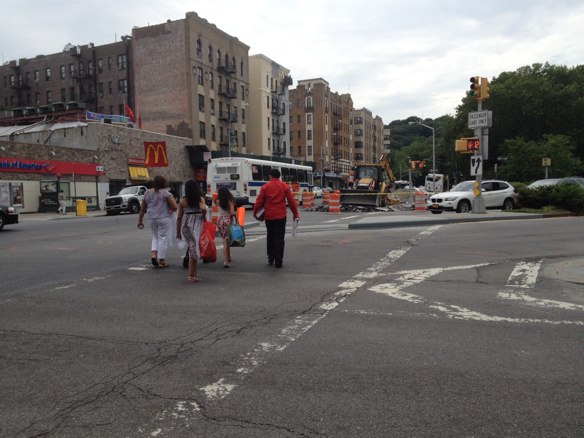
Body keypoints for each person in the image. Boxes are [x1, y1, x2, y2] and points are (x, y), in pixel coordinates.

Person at [253, 168, 300, 268]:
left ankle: (270, 258)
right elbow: (291, 202)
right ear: (279, 176)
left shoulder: (265, 187)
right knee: (279, 238)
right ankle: (279, 261)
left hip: (269, 216)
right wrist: (295, 214)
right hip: (281, 216)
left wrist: (255, 212)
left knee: (270, 236)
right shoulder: (284, 186)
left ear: (270, 176)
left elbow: (259, 201)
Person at [137, 175, 178, 268]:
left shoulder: (147, 193)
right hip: (163, 218)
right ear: (163, 183)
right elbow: (175, 206)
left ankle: (153, 255)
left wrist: (140, 221)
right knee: (163, 238)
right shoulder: (165, 193)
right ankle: (162, 260)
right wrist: (170, 209)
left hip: (151, 218)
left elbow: (142, 209)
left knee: (155, 237)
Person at [176, 179, 207, 283]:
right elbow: (204, 209)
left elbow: (179, 217)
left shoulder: (183, 200)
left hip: (185, 225)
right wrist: (203, 216)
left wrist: (177, 231)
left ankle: (194, 273)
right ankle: (190, 275)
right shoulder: (200, 199)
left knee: (192, 248)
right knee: (193, 251)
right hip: (195, 225)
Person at [215, 187, 237, 268]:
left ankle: (228, 257)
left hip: (220, 220)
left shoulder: (216, 201)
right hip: (227, 220)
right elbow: (231, 213)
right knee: (226, 241)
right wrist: (236, 212)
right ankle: (225, 261)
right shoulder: (230, 201)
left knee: (225, 239)